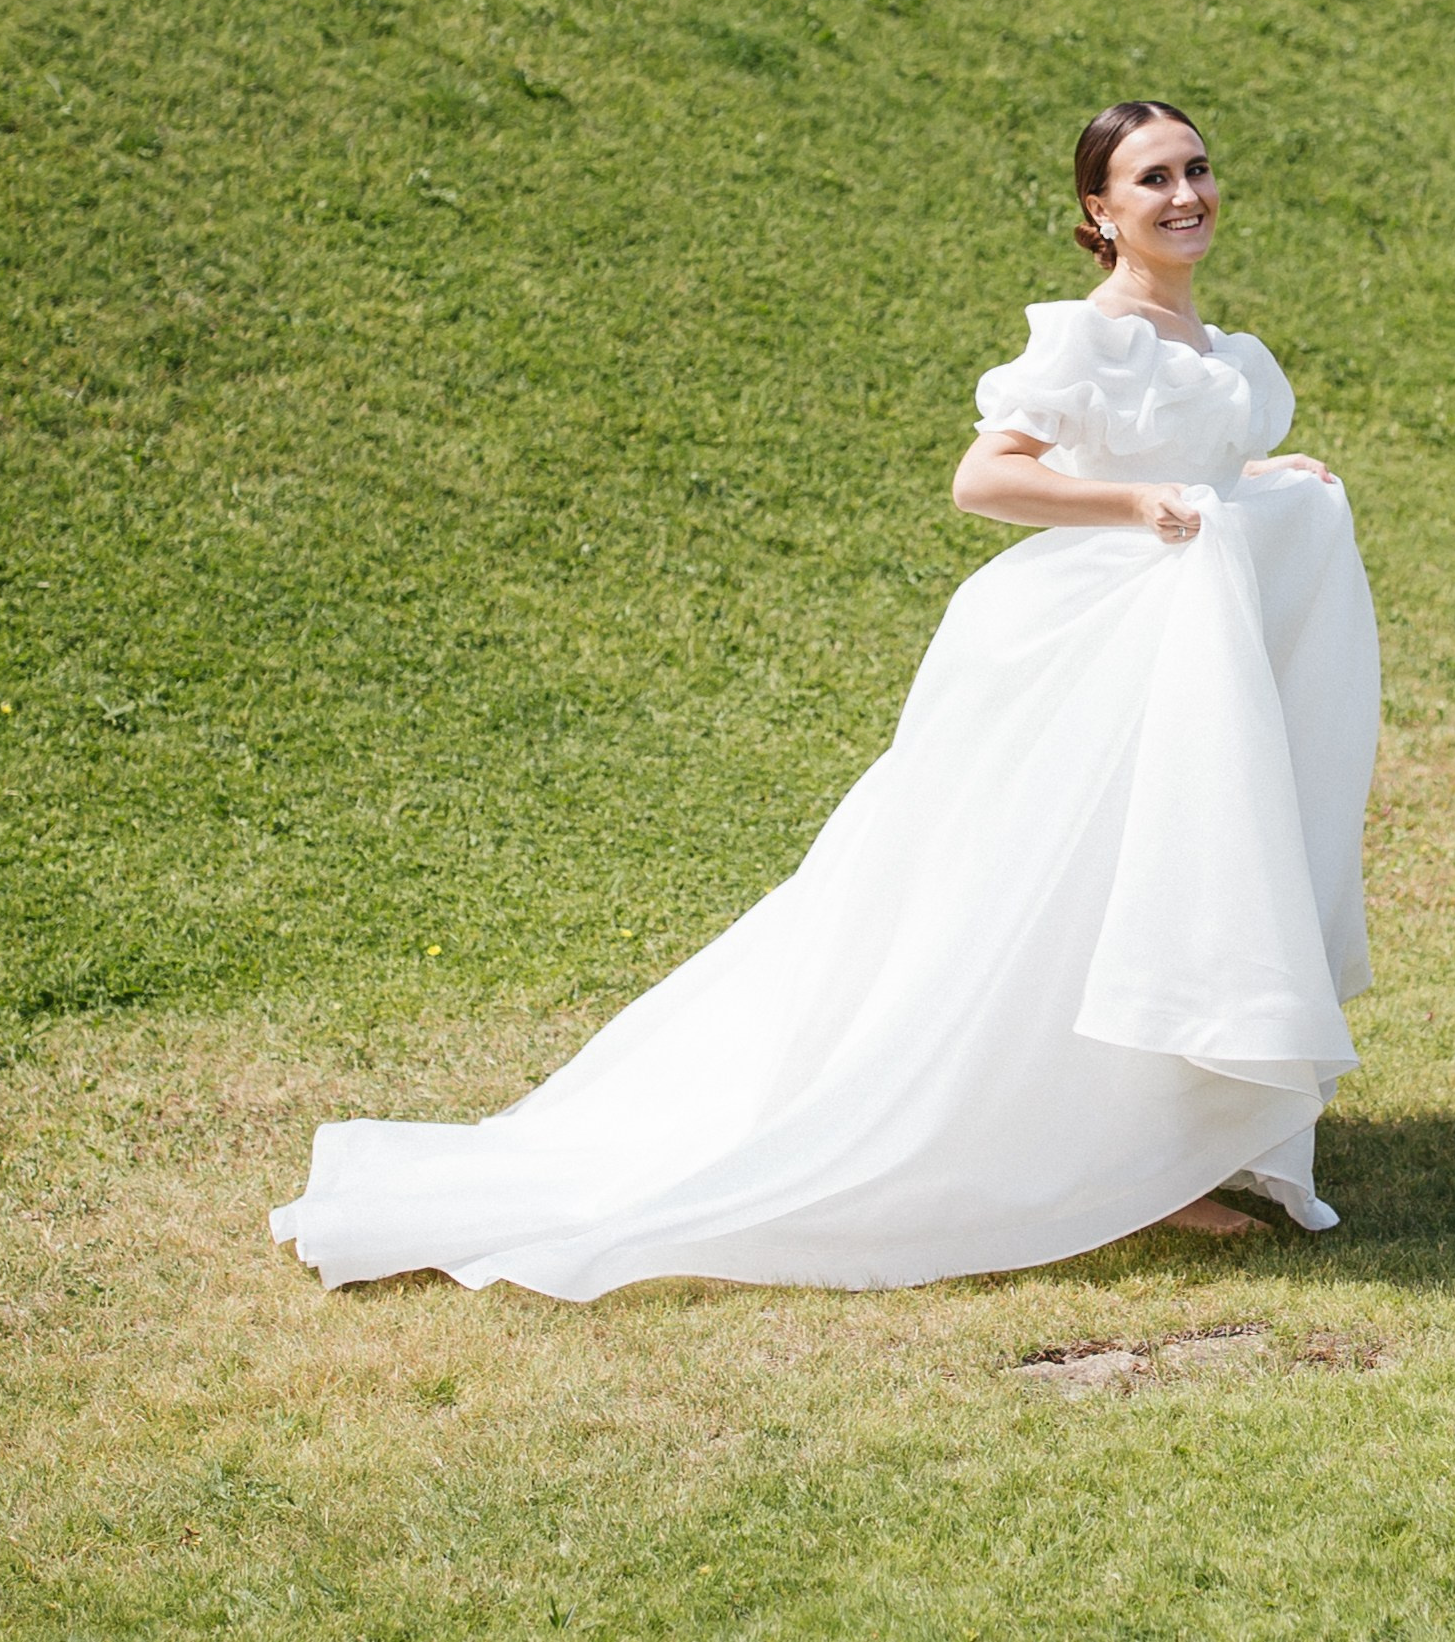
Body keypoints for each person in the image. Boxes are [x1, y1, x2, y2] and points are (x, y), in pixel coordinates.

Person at [272, 101, 1381, 1297]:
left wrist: (1255, 476)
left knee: (1164, 882)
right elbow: (987, 477)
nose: (1186, 194)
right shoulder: (1087, 338)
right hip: (1088, 654)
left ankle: (1155, 1145)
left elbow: (1175, 461)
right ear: (1099, 215)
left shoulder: (1225, 350)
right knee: (1045, 894)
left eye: (1198, 168)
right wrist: (1135, 505)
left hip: (1181, 661)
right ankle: (1045, 1141)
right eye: (1151, 177)